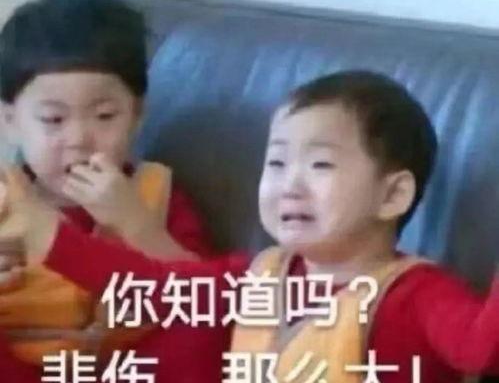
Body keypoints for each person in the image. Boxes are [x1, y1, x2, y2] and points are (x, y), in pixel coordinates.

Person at [1, 71, 497, 382]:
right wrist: (50, 238)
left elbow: (481, 351)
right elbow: (153, 286)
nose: (289, 185)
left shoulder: (417, 293)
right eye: (276, 163)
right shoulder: (256, 275)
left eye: (320, 165)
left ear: (392, 196)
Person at [0, 0, 212, 375]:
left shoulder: (155, 192)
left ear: (137, 114)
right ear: (10, 121)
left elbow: (204, 299)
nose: (79, 139)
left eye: (104, 116)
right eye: (53, 120)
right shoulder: (5, 197)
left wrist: (138, 225)